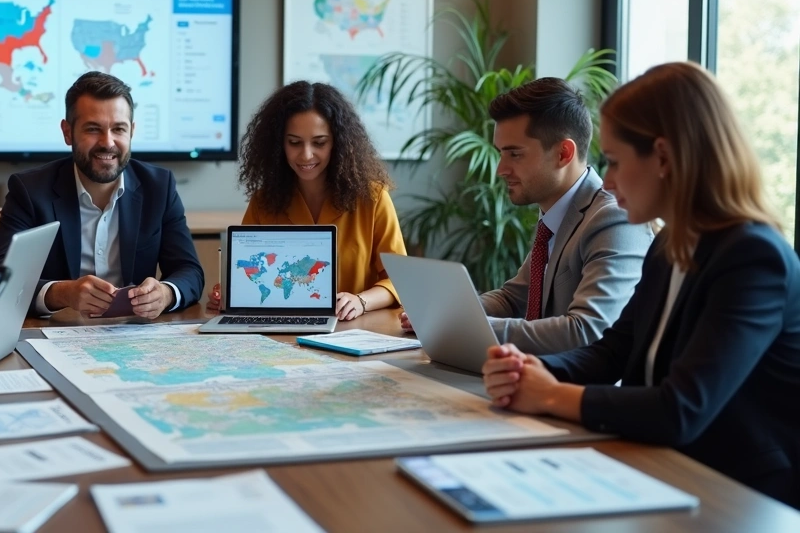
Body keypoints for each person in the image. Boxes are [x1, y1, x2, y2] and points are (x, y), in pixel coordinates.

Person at [482, 62, 800, 507]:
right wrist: (530, 372)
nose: (606, 181)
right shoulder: (671, 241)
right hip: (661, 467)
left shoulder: (753, 257)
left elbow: (680, 410)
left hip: (738, 494)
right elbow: (614, 350)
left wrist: (552, 395)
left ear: (665, 158)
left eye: (613, 161)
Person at [401, 77, 653, 353]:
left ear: (563, 153)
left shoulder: (613, 219)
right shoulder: (556, 214)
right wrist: (442, 313)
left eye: (514, 154)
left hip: (580, 389)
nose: (501, 169)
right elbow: (513, 298)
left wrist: (460, 325)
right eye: (500, 153)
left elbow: (587, 330)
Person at [0, 71, 204, 318]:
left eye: (119, 129)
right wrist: (62, 293)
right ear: (67, 132)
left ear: (131, 131)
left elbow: (190, 272)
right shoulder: (29, 190)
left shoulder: (159, 187)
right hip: (57, 331)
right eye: (93, 129)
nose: (108, 142)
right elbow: (1, 279)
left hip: (134, 335)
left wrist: (165, 293)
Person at [209, 81, 406, 321]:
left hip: (354, 330)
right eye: (294, 142)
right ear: (279, 144)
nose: (306, 155)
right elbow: (252, 276)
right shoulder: (264, 201)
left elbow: (399, 281)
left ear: (339, 143)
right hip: (280, 334)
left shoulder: (372, 199)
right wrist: (228, 294)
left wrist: (360, 301)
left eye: (320, 142)